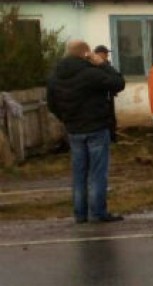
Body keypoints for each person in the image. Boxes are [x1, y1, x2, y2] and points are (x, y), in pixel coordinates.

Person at [46, 39, 126, 223]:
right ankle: (98, 212)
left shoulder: (55, 76)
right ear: (86, 54)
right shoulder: (91, 73)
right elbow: (118, 83)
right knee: (97, 172)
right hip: (96, 126)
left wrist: (67, 119)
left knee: (79, 173)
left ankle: (80, 214)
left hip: (74, 129)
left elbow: (52, 104)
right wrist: (103, 64)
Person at [92, 45, 120, 142]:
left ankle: (112, 136)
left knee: (111, 116)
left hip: (109, 95)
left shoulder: (106, 65)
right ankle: (108, 137)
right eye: (105, 53)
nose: (107, 55)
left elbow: (114, 78)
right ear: (99, 54)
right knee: (104, 117)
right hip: (100, 97)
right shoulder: (94, 66)